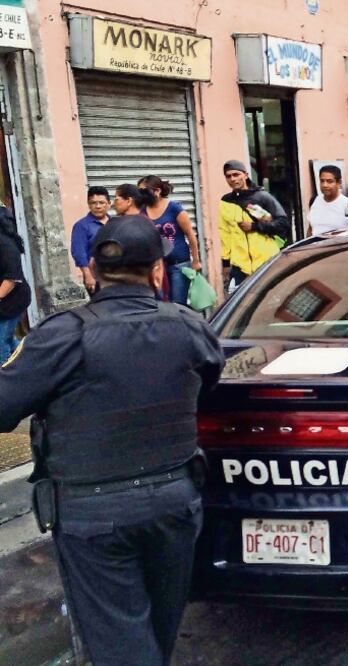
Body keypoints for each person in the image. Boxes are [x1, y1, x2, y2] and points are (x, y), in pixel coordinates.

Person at [0, 215, 225, 665]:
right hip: (173, 503)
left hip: (94, 514)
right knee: (156, 636)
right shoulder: (188, 325)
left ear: (93, 272)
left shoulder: (64, 334)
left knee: (121, 644)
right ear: (158, 271)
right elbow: (210, 378)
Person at [219, 159, 289, 290]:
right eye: (228, 176)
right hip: (239, 267)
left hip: (265, 263)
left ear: (245, 175)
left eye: (236, 174)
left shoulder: (261, 197)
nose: (232, 179)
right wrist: (226, 263)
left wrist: (254, 227)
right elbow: (225, 233)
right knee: (238, 306)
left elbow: (283, 223)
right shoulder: (226, 201)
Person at [139, 175, 201, 307]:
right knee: (161, 305)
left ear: (157, 191)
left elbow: (190, 235)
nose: (141, 195)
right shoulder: (142, 211)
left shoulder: (174, 208)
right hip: (157, 266)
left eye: (144, 191)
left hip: (179, 265)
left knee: (178, 305)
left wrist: (196, 261)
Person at [0, 205, 29, 363]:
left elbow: (12, 278)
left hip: (10, 302)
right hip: (7, 301)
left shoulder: (5, 244)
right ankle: (32, 362)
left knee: (1, 343)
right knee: (9, 340)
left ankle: (5, 381)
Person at [70, 186, 111, 295]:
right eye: (93, 203)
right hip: (96, 278)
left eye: (101, 202)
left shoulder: (115, 223)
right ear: (89, 205)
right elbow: (79, 252)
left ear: (108, 204)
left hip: (117, 277)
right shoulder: (81, 226)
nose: (98, 206)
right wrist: (88, 275)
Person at [308, 165, 348, 235]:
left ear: (339, 183)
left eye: (329, 181)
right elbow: (311, 229)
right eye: (322, 181)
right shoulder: (314, 201)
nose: (325, 185)